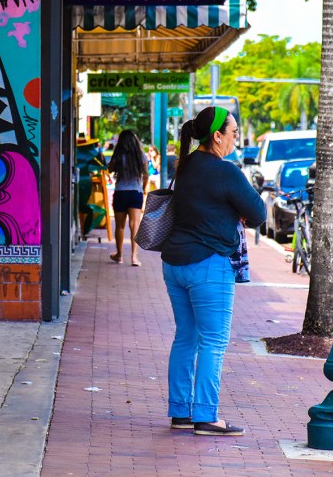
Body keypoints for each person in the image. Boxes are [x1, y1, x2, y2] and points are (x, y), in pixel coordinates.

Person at [161, 106, 266, 436]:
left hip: (174, 264)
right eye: (234, 132)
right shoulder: (226, 171)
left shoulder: (186, 166)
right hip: (208, 265)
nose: (237, 138)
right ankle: (206, 416)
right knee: (213, 342)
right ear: (217, 135)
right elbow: (259, 212)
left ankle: (180, 411)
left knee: (186, 337)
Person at [107, 129, 149, 267]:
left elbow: (110, 169)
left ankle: (119, 255)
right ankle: (134, 257)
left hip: (120, 192)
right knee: (134, 225)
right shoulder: (141, 155)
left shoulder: (119, 154)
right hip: (135, 193)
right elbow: (146, 175)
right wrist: (143, 188)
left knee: (120, 226)